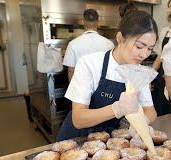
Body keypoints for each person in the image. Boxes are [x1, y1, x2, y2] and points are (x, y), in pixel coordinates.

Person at [57, 10, 158, 141]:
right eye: (139, 46)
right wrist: (117, 108)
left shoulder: (138, 72)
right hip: (78, 140)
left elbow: (150, 110)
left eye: (150, 49)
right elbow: (78, 119)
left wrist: (143, 122)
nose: (144, 55)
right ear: (120, 38)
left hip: (113, 141)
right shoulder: (90, 64)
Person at [63, 9, 114, 81]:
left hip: (81, 86)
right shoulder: (109, 44)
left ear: (83, 21)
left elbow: (71, 71)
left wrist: (73, 90)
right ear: (98, 22)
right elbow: (112, 69)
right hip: (102, 87)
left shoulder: (73, 44)